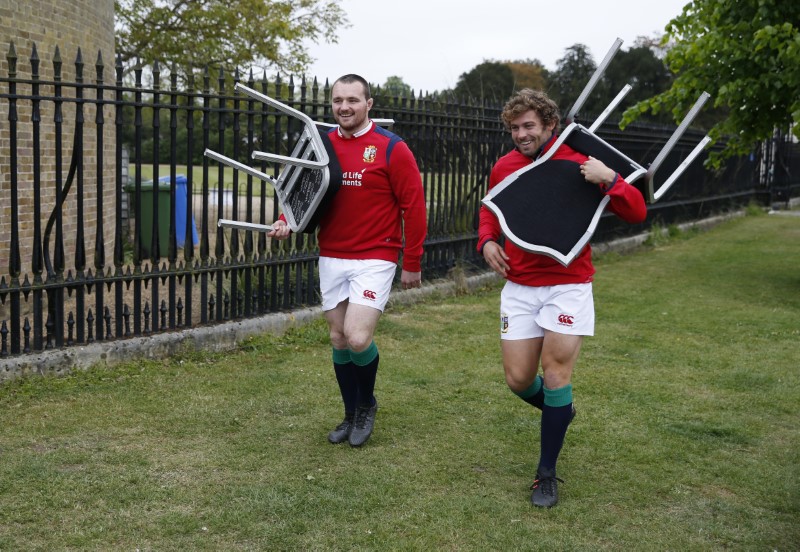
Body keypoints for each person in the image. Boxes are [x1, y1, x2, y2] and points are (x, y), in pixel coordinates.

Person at [478, 89, 647, 507]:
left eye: (529, 126)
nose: (521, 134)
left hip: (568, 284)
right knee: (519, 379)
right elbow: (491, 209)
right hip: (519, 285)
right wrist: (486, 242)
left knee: (555, 373)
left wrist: (610, 180)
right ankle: (560, 411)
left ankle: (546, 474)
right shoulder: (506, 167)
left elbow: (637, 212)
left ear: (549, 125)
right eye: (515, 127)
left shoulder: (581, 162)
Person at [269, 74, 427, 447]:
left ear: (368, 104)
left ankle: (367, 403)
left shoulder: (391, 147)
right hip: (332, 254)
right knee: (338, 337)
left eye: (353, 100)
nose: (344, 107)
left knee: (358, 337)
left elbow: (414, 207)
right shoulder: (320, 145)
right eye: (338, 100)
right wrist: (284, 221)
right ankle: (349, 412)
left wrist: (413, 261)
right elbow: (299, 191)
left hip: (376, 255)